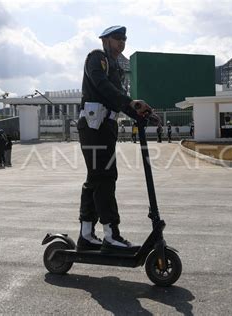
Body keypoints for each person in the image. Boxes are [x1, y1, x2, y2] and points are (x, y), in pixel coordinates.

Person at [77, 25, 153, 254]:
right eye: (117, 38)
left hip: (106, 125)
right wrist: (131, 104)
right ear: (105, 40)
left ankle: (86, 235)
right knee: (105, 177)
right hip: (93, 125)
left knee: (95, 178)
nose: (122, 42)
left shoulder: (116, 67)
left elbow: (120, 98)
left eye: (124, 39)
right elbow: (103, 87)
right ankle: (111, 235)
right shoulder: (96, 58)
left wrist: (142, 113)